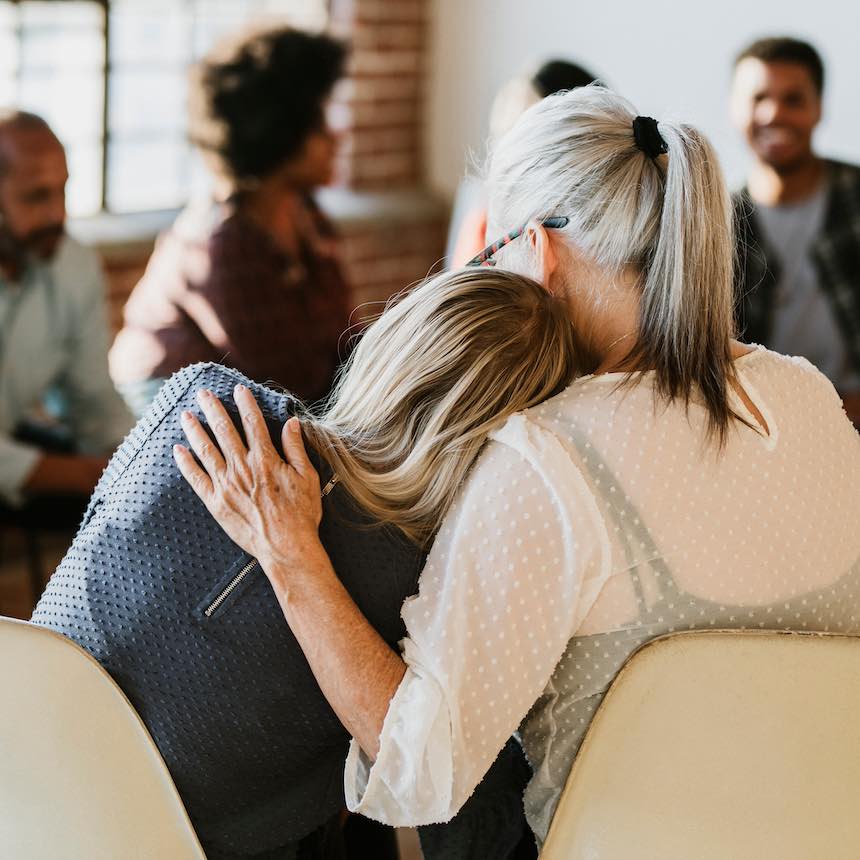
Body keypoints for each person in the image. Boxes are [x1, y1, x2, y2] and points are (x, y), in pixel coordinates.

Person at [179, 85, 860, 852]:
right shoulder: (809, 398)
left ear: (538, 250)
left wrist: (290, 554)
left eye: (494, 249)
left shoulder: (549, 457)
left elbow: (420, 772)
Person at [36, 265, 579, 860]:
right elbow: (459, 811)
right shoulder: (430, 586)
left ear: (395, 340)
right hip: (178, 842)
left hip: (28, 772)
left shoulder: (201, 399)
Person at [109, 26, 352, 417]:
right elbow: (288, 384)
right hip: (174, 414)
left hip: (263, 402)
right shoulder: (221, 243)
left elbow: (343, 339)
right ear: (283, 135)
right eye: (320, 125)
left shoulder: (306, 214)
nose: (336, 137)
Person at [0, 110, 132, 514]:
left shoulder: (73, 265)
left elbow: (91, 397)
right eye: (37, 196)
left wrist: (135, 460)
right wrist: (93, 475)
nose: (59, 214)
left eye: (63, 192)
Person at [731, 36, 860, 425]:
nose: (773, 114)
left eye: (793, 99)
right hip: (769, 435)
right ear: (735, 107)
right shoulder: (717, 223)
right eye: (758, 98)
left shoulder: (855, 196)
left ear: (819, 108)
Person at [446, 58, 598, 267]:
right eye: (504, 109)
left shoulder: (579, 231)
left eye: (519, 121)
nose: (503, 131)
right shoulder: (484, 211)